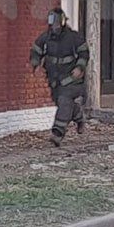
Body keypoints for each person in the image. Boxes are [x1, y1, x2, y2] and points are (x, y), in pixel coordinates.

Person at [30, 8, 91, 146]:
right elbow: (35, 50)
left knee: (64, 101)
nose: (54, 26)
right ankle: (79, 116)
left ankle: (57, 134)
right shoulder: (45, 38)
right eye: (52, 23)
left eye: (57, 22)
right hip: (55, 80)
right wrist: (36, 64)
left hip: (71, 79)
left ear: (62, 22)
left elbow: (84, 53)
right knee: (62, 102)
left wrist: (79, 67)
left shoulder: (74, 38)